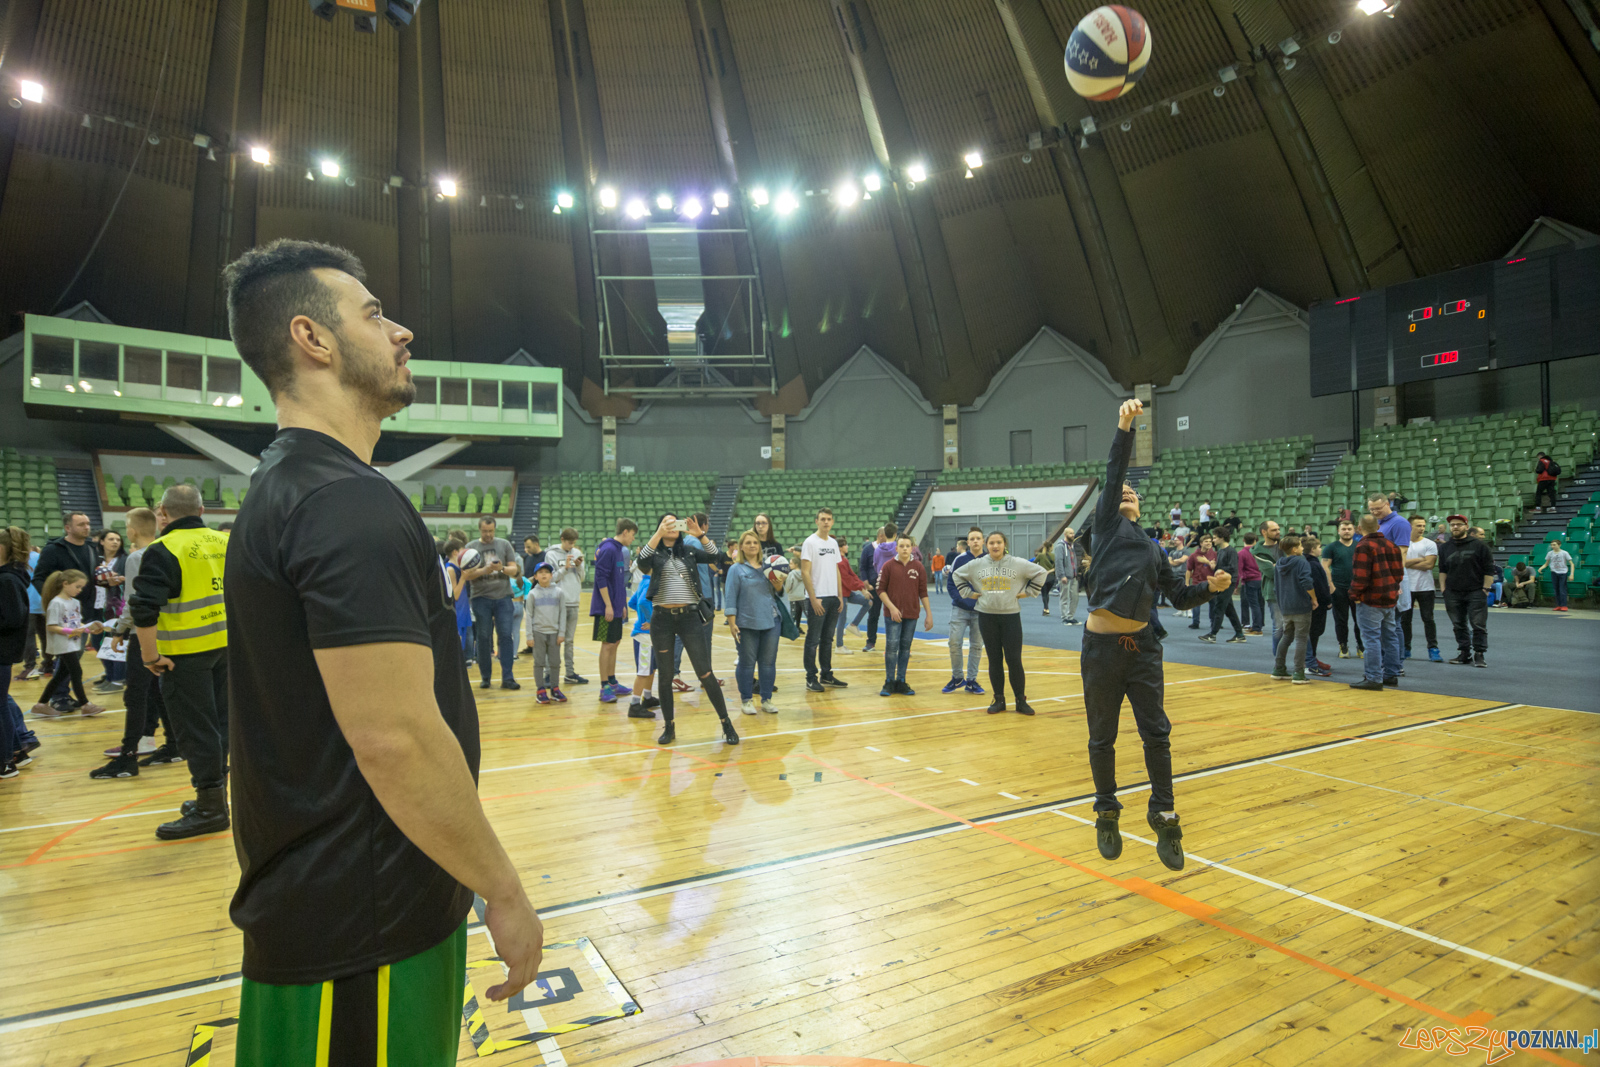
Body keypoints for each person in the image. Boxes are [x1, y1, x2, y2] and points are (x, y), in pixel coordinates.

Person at [220, 239, 544, 1056]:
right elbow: (394, 738)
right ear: (312, 339)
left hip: (335, 910)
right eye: (373, 313)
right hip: (363, 931)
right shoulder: (343, 504)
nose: (401, 331)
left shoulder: (287, 486)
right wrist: (500, 888)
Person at [1080, 399, 1229, 871]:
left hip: (1143, 649)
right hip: (1102, 649)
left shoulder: (1154, 549)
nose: (1126, 491)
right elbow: (1114, 468)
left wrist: (1211, 587)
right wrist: (1124, 427)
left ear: (1141, 508)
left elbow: (1180, 598)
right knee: (1102, 737)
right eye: (1121, 490)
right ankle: (1107, 810)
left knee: (1157, 735)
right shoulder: (1105, 527)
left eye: (1132, 493)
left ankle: (1164, 816)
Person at [129, 484, 230, 838]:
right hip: (229, 650)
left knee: (197, 730)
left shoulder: (163, 549)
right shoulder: (226, 542)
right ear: (202, 511)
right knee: (221, 725)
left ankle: (210, 808)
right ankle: (216, 800)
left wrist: (149, 656)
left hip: (185, 656)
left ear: (163, 512)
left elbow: (143, 607)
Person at [90, 508, 179, 778]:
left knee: (136, 694)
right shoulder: (168, 551)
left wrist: (119, 630)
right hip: (166, 632)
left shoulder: (137, 557)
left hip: (143, 633)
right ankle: (174, 745)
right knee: (157, 691)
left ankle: (128, 756)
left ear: (132, 531)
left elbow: (133, 602)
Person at [635, 514, 738, 746]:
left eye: (675, 523)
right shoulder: (655, 552)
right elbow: (642, 563)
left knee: (705, 672)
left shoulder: (689, 551)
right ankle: (669, 727)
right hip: (661, 620)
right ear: (660, 527)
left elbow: (716, 556)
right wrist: (658, 534)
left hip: (689, 618)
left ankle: (726, 723)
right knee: (665, 675)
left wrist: (699, 535)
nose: (672, 527)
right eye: (667, 523)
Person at [953, 531, 1048, 716]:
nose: (995, 546)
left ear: (1004, 544)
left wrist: (1028, 592)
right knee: (994, 660)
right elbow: (957, 575)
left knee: (1014, 660)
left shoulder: (1017, 563)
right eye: (991, 543)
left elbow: (1041, 572)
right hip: (987, 617)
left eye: (999, 542)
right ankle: (999, 700)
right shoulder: (977, 564)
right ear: (986, 545)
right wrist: (968, 593)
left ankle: (1021, 700)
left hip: (1011, 617)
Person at [725, 530, 783, 716]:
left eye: (755, 543)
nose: (752, 545)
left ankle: (766, 700)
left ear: (759, 546)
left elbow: (779, 592)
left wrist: (778, 580)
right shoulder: (736, 569)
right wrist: (732, 623)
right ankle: (746, 700)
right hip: (746, 623)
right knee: (747, 663)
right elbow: (730, 597)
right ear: (741, 547)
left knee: (768, 664)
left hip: (771, 621)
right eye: (748, 542)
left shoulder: (769, 567)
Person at [462, 516, 521, 691]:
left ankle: (508, 678)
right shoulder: (471, 548)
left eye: (491, 531)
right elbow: (467, 574)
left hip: (503, 597)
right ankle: (485, 677)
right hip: (481, 598)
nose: (488, 534)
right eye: (485, 531)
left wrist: (501, 568)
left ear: (495, 529)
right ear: (479, 530)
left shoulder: (504, 545)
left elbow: (514, 570)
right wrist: (484, 570)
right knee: (483, 637)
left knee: (505, 636)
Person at [34, 568, 104, 716]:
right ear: (65, 584)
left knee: (60, 675)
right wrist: (70, 632)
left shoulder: (75, 603)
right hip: (62, 644)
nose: (80, 590)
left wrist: (88, 629)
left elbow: (75, 625)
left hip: (73, 643)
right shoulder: (56, 603)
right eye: (77, 586)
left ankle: (41, 704)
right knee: (76, 671)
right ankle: (85, 704)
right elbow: (51, 626)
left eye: (81, 587)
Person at [1346, 513, 1404, 691]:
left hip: (1371, 599)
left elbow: (1361, 576)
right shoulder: (1391, 545)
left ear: (1359, 528)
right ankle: (1391, 674)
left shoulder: (1363, 546)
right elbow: (1399, 573)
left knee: (1371, 639)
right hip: (1389, 598)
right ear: (1378, 527)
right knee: (1390, 636)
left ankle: (1373, 677)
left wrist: (1353, 594)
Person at [31, 511, 100, 644]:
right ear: (68, 528)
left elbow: (93, 577)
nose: (86, 527)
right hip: (65, 613)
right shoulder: (54, 549)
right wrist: (55, 601)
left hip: (87, 610)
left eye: (88, 524)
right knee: (70, 654)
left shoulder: (92, 548)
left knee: (73, 654)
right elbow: (38, 579)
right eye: (81, 524)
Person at [876, 535, 931, 696]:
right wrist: (892, 608)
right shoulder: (888, 566)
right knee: (891, 647)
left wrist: (929, 614)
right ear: (896, 548)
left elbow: (923, 593)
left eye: (908, 546)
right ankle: (888, 682)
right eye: (902, 546)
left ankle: (901, 681)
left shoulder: (919, 567)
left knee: (905, 649)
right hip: (892, 616)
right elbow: (880, 590)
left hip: (912, 615)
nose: (905, 548)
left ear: (912, 548)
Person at [800, 508, 848, 693]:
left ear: (832, 522)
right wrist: (812, 598)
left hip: (832, 598)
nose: (826, 522)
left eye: (829, 519)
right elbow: (805, 572)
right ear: (816, 521)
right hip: (817, 598)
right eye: (822, 519)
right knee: (813, 640)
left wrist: (840, 595)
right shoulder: (810, 542)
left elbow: (836, 569)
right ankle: (810, 678)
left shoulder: (834, 543)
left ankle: (826, 675)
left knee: (828, 639)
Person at [591, 518, 639, 703]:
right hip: (605, 608)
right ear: (625, 532)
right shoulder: (608, 549)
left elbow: (619, 582)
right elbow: (600, 578)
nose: (633, 539)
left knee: (615, 642)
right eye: (633, 535)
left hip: (617, 607)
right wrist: (609, 606)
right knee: (607, 644)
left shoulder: (619, 551)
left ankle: (612, 682)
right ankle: (604, 687)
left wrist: (622, 605)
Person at [1438, 514, 1494, 666]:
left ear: (1466, 527)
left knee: (1478, 624)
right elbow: (1442, 570)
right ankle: (1464, 653)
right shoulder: (1445, 547)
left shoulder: (1480, 546)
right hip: (1453, 592)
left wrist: (1486, 588)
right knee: (1458, 624)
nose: (1455, 527)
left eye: (1459, 524)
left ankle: (1479, 653)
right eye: (1453, 525)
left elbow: (1489, 570)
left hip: (1476, 590)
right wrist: (1443, 588)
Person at [1, 526, 32, 779]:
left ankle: (6, 761)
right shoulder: (8, 576)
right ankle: (16, 750)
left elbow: (11, 618)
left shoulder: (8, 579)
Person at [942, 527, 986, 695]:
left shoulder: (990, 560)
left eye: (978, 538)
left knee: (977, 646)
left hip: (982, 610)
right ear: (967, 542)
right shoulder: (959, 560)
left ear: (983, 541)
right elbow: (951, 584)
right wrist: (962, 599)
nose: (975, 541)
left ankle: (972, 681)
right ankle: (957, 678)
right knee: (954, 642)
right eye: (972, 539)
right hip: (959, 609)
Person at [541, 528, 587, 684]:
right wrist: (565, 568)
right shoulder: (551, 554)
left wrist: (579, 566)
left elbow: (582, 577)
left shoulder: (576, 552)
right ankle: (549, 674)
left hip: (574, 601)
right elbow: (549, 578)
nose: (571, 546)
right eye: (568, 542)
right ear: (562, 539)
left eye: (573, 543)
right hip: (557, 602)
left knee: (569, 640)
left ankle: (570, 673)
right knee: (553, 640)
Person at [1271, 534, 1317, 684]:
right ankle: (1298, 672)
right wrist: (1314, 599)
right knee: (1301, 639)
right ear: (1296, 549)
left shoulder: (1279, 563)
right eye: (1301, 546)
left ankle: (1278, 668)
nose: (1303, 548)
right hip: (1300, 605)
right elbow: (1306, 581)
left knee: (1286, 636)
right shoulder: (1301, 562)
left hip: (1285, 606)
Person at [1401, 515, 1441, 660]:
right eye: (1418, 525)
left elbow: (1429, 565)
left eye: (1423, 526)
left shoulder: (1430, 544)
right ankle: (1405, 648)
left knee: (1428, 619)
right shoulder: (1402, 543)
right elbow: (1400, 563)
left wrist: (1408, 562)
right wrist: (1419, 559)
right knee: (1405, 620)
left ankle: (1433, 648)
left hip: (1426, 588)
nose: (1422, 528)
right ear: (1410, 526)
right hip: (1406, 587)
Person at [624, 565, 661, 720]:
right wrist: (651, 620)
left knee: (651, 668)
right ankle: (634, 705)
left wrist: (642, 617)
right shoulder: (649, 583)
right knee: (644, 671)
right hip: (645, 635)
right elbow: (642, 603)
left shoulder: (644, 581)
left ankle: (647, 697)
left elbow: (632, 602)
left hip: (648, 635)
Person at [1322, 520, 1363, 659]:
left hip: (1357, 589)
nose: (1346, 531)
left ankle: (1361, 646)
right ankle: (1343, 645)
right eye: (1344, 529)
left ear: (1354, 530)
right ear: (1338, 531)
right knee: (1341, 619)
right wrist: (1331, 586)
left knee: (1360, 620)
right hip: (1338, 588)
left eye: (1349, 529)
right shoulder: (1331, 547)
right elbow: (1325, 567)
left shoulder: (1359, 546)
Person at [526, 563, 566, 704]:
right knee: (539, 662)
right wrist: (529, 635)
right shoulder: (532, 594)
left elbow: (563, 614)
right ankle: (540, 690)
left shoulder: (559, 593)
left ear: (551, 575)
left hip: (554, 633)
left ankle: (555, 688)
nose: (544, 574)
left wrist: (561, 633)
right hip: (538, 633)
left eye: (547, 572)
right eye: (540, 572)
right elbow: (529, 615)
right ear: (535, 577)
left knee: (555, 662)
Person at [1200, 526, 1245, 643]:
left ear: (1222, 538)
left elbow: (1233, 568)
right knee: (1229, 610)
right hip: (1223, 582)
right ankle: (1239, 634)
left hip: (1228, 582)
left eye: (1214, 538)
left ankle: (1213, 634)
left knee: (1219, 607)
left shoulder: (1231, 551)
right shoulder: (1220, 551)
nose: (1213, 540)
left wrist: (1217, 567)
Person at [832, 536, 874, 655]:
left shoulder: (844, 559)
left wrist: (863, 587)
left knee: (868, 602)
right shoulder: (839, 561)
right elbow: (847, 580)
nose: (848, 546)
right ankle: (839, 646)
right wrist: (861, 589)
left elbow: (853, 575)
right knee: (842, 618)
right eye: (845, 545)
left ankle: (853, 624)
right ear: (840, 547)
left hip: (847, 592)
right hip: (841, 593)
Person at [1301, 534, 1333, 676]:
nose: (1321, 549)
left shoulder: (1305, 562)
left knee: (1313, 632)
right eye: (1319, 547)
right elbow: (1319, 586)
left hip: (1309, 603)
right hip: (1317, 604)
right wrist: (1328, 601)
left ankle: (1311, 657)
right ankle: (1309, 660)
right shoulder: (1313, 564)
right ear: (1313, 549)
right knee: (1314, 632)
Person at [1252, 520, 1283, 652]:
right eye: (1274, 530)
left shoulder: (1285, 545)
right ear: (1264, 532)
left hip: (1292, 591)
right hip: (1273, 592)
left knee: (1300, 627)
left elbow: (1299, 563)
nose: (1278, 532)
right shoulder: (1258, 552)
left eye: (1278, 529)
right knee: (1279, 627)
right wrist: (1286, 567)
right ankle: (1278, 659)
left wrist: (1279, 566)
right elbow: (1271, 573)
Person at [856, 527, 885, 651]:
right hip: (874, 588)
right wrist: (866, 583)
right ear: (880, 536)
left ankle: (894, 643)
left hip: (889, 587)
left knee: (893, 615)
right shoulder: (868, 549)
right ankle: (870, 642)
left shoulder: (892, 549)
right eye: (886, 536)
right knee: (873, 615)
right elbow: (862, 567)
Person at [1183, 535, 1215, 630]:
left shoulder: (1215, 554)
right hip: (1197, 582)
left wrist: (1207, 562)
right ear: (1201, 543)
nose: (1209, 543)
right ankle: (1195, 622)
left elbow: (1216, 567)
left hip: (1211, 583)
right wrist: (1187, 582)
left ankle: (1214, 622)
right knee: (1196, 603)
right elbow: (1189, 570)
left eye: (1210, 541)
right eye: (1206, 541)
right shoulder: (1193, 555)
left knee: (1213, 603)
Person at [1237, 533, 1264, 634]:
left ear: (1243, 540)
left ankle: (1257, 628)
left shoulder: (1241, 553)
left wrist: (1236, 585)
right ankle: (1259, 624)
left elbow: (1239, 570)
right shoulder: (1260, 552)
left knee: (1253, 605)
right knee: (1260, 604)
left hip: (1250, 580)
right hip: (1260, 579)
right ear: (1255, 541)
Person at [1538, 538, 1574, 612]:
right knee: (1556, 589)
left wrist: (1571, 574)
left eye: (1554, 545)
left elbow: (1571, 564)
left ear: (1559, 545)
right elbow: (1546, 563)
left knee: (1562, 589)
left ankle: (1564, 605)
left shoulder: (1564, 553)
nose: (1553, 546)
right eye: (1552, 545)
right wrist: (1541, 568)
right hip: (1554, 572)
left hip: (1563, 572)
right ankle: (1558, 605)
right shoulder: (1550, 553)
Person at [1056, 526, 1082, 625]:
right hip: (1065, 577)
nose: (1073, 535)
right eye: (1071, 533)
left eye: (1073, 533)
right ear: (1065, 534)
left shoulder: (1072, 546)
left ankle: (1071, 616)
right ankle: (1064, 617)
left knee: (1074, 597)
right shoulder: (1060, 546)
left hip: (1073, 576)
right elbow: (1059, 562)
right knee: (1065, 597)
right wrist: (1062, 575)